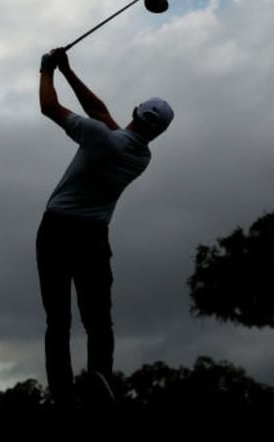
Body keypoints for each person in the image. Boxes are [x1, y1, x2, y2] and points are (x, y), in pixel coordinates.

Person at [36, 47, 173, 408]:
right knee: (98, 319)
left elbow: (49, 108)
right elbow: (98, 111)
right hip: (95, 237)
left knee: (58, 319)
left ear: (134, 112)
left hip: (58, 229)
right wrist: (68, 70)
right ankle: (100, 382)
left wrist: (46, 71)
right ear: (157, 132)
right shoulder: (141, 156)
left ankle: (63, 395)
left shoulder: (100, 137)